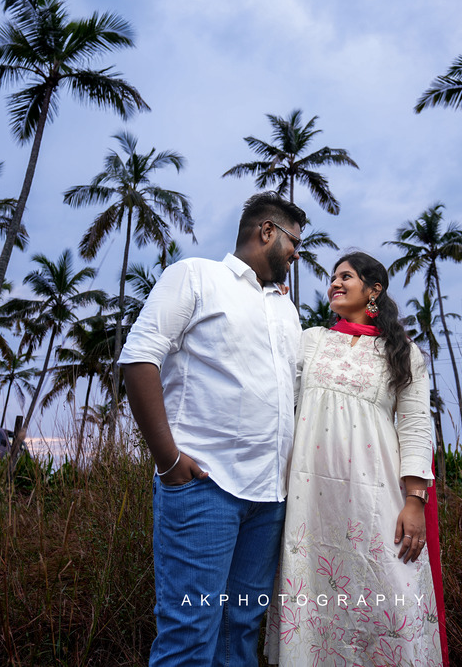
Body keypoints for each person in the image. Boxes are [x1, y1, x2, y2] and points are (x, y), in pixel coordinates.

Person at [120, 191, 307, 666]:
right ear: (267, 231)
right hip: (206, 489)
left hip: (270, 499)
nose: (297, 254)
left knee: (240, 632)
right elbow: (140, 357)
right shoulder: (196, 276)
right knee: (190, 634)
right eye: (294, 242)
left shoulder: (286, 308)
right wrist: (168, 461)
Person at [265, 251, 448, 666]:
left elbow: (417, 427)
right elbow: (281, 396)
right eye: (332, 277)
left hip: (377, 499)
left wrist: (414, 500)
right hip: (310, 502)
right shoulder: (312, 341)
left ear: (374, 290)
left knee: (389, 591)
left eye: (346, 276)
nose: (335, 283)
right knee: (313, 596)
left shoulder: (403, 353)